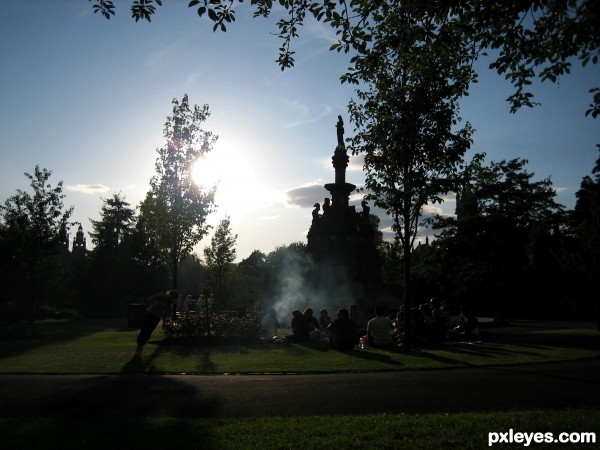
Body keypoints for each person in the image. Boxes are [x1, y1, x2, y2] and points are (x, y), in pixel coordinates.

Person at [135, 289, 179, 356]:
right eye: (172, 296)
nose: (172, 298)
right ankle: (139, 348)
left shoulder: (169, 303)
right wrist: (155, 303)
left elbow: (166, 313)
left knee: (148, 333)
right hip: (149, 314)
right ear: (170, 294)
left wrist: (165, 322)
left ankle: (141, 344)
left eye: (174, 298)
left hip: (156, 318)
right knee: (144, 330)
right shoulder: (161, 295)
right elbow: (148, 299)